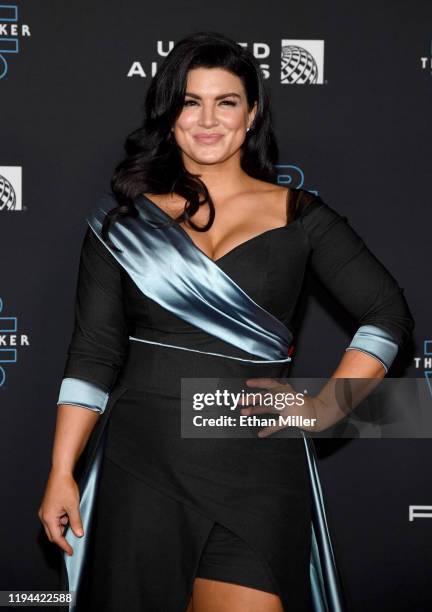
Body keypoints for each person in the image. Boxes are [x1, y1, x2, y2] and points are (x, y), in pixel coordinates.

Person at [38, 31, 414, 612]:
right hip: (143, 463)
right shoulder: (120, 227)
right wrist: (63, 470)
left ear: (252, 113)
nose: (207, 119)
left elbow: (386, 312)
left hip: (256, 465)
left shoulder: (301, 217)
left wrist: (326, 406)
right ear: (170, 115)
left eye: (226, 101)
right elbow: (92, 354)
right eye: (191, 102)